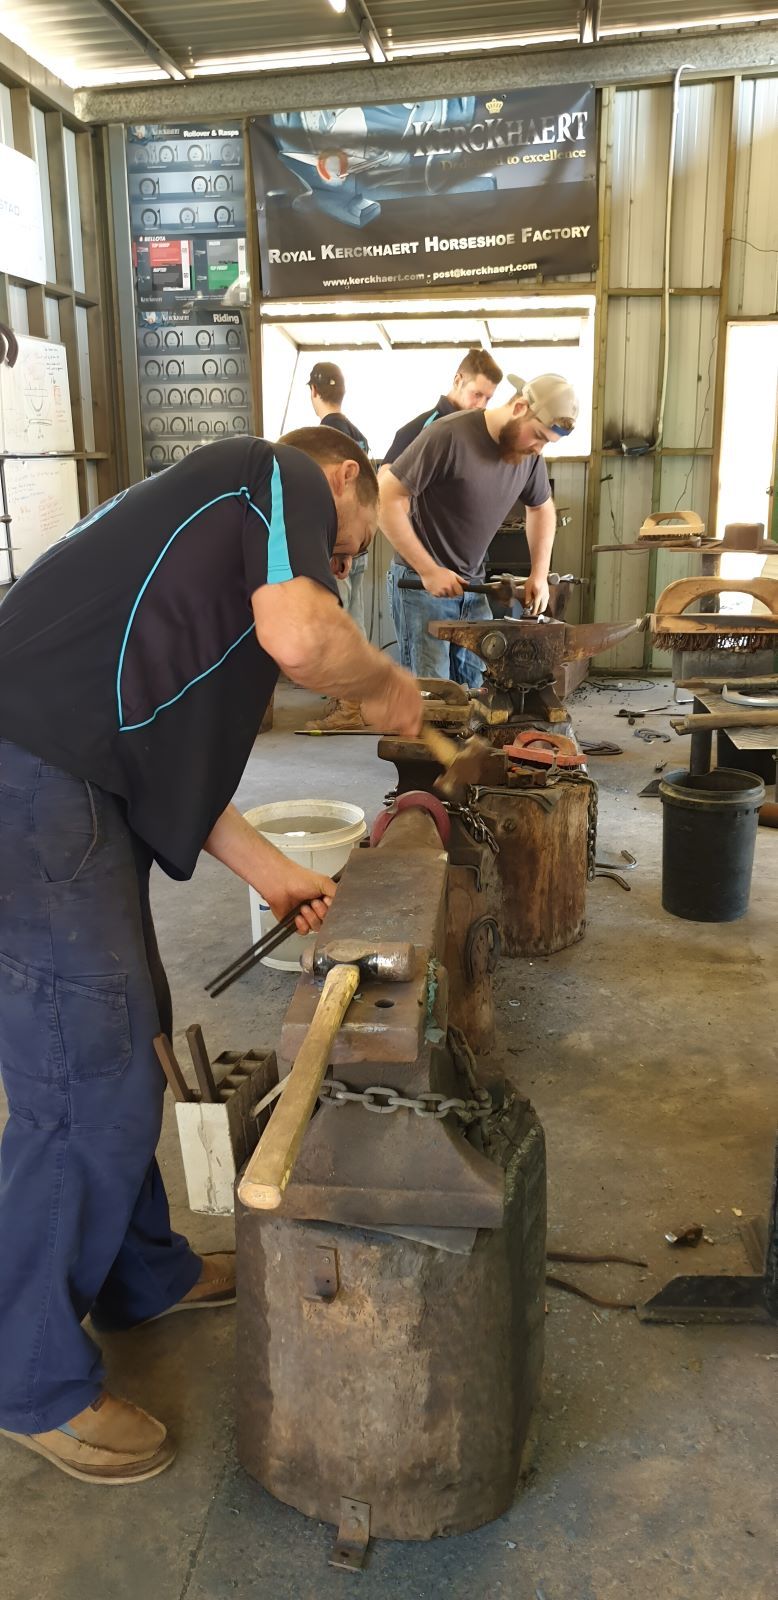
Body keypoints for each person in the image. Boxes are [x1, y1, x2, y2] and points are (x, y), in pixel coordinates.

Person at [0, 428, 421, 1485]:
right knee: (80, 1087)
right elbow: (303, 637)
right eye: (355, 545)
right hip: (31, 780)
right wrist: (382, 685)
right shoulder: (271, 472)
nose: (344, 565)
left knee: (123, 1044)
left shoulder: (198, 557)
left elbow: (160, 753)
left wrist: (271, 871)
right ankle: (26, 1378)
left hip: (66, 782)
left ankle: (140, 1273)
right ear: (342, 482)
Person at [380, 374, 579, 688]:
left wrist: (539, 574)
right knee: (433, 697)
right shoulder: (448, 436)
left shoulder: (529, 457)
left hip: (472, 588)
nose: (539, 449)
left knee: (478, 688)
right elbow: (386, 497)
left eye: (546, 443)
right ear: (519, 407)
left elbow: (541, 508)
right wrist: (428, 569)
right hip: (421, 587)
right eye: (538, 436)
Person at [307, 362, 372, 730]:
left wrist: (333, 548)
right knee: (355, 625)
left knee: (338, 627)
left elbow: (330, 499)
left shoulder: (323, 438)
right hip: (356, 545)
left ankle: (349, 709)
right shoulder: (357, 435)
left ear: (313, 392)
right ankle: (353, 701)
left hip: (337, 549)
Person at [382, 347, 503, 465]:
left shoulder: (480, 435)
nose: (482, 405)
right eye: (477, 394)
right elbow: (382, 481)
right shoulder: (419, 428)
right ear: (457, 381)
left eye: (487, 398)